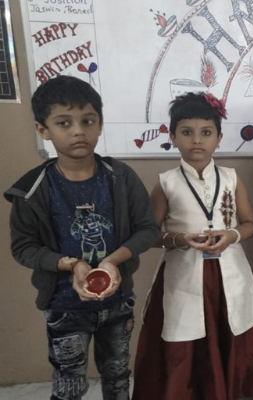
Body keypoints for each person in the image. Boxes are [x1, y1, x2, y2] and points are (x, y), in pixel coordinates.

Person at [5, 75, 159, 400]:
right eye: (64, 123)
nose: (78, 131)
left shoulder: (121, 178)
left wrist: (113, 260)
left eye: (88, 121)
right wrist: (71, 264)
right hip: (64, 306)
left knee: (118, 376)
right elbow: (24, 247)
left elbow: (148, 229)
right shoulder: (32, 189)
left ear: (100, 124)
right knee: (69, 385)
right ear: (43, 129)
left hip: (117, 303)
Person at [132, 92, 253, 400]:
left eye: (206, 132)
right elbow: (149, 234)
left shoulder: (230, 178)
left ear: (219, 138)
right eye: (187, 132)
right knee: (186, 334)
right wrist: (179, 239)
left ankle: (233, 388)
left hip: (230, 273)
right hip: (184, 275)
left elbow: (250, 223)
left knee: (235, 326)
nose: (197, 140)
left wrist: (231, 236)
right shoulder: (166, 182)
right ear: (173, 137)